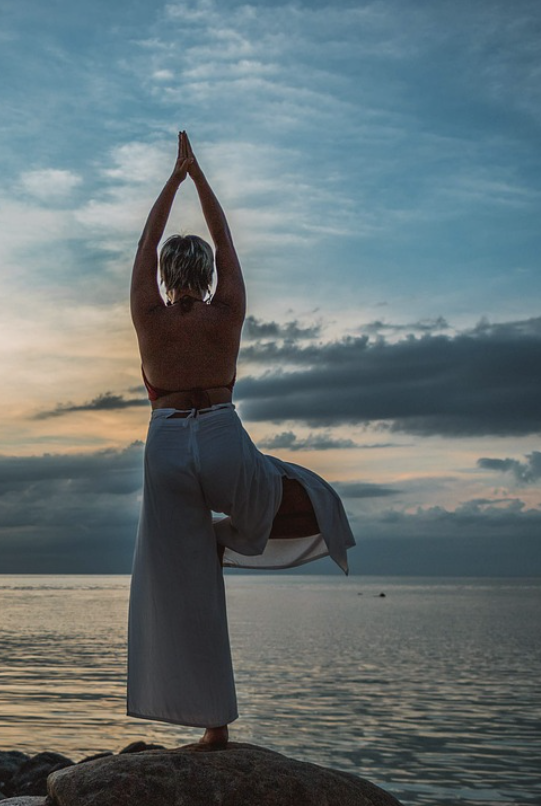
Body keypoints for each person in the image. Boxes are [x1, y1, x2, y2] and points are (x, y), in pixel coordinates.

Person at [126, 132, 356, 749]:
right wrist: (198, 176)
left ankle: (211, 723)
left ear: (167, 276)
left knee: (183, 581)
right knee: (269, 497)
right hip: (223, 434)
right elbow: (225, 241)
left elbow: (146, 245)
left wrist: (170, 180)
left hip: (168, 442)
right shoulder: (226, 311)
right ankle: (236, 539)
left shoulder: (148, 317)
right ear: (205, 274)